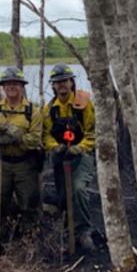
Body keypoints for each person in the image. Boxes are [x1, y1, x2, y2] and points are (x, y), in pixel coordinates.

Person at [0, 67, 43, 246]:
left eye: (15, 83)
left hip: (25, 163)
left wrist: (16, 137)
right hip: (1, 163)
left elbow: (34, 139)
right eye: (8, 84)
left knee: (29, 203)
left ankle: (30, 242)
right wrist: (7, 126)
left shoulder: (33, 111)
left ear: (22, 86)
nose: (11, 87)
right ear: (3, 87)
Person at [41, 63, 99, 252]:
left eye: (64, 81)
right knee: (63, 195)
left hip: (81, 156)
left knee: (78, 189)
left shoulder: (84, 103)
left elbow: (93, 132)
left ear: (71, 82)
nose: (61, 85)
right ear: (53, 86)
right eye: (57, 82)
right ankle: (69, 231)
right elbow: (46, 134)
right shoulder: (50, 109)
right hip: (60, 158)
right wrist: (54, 147)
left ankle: (84, 231)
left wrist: (80, 148)